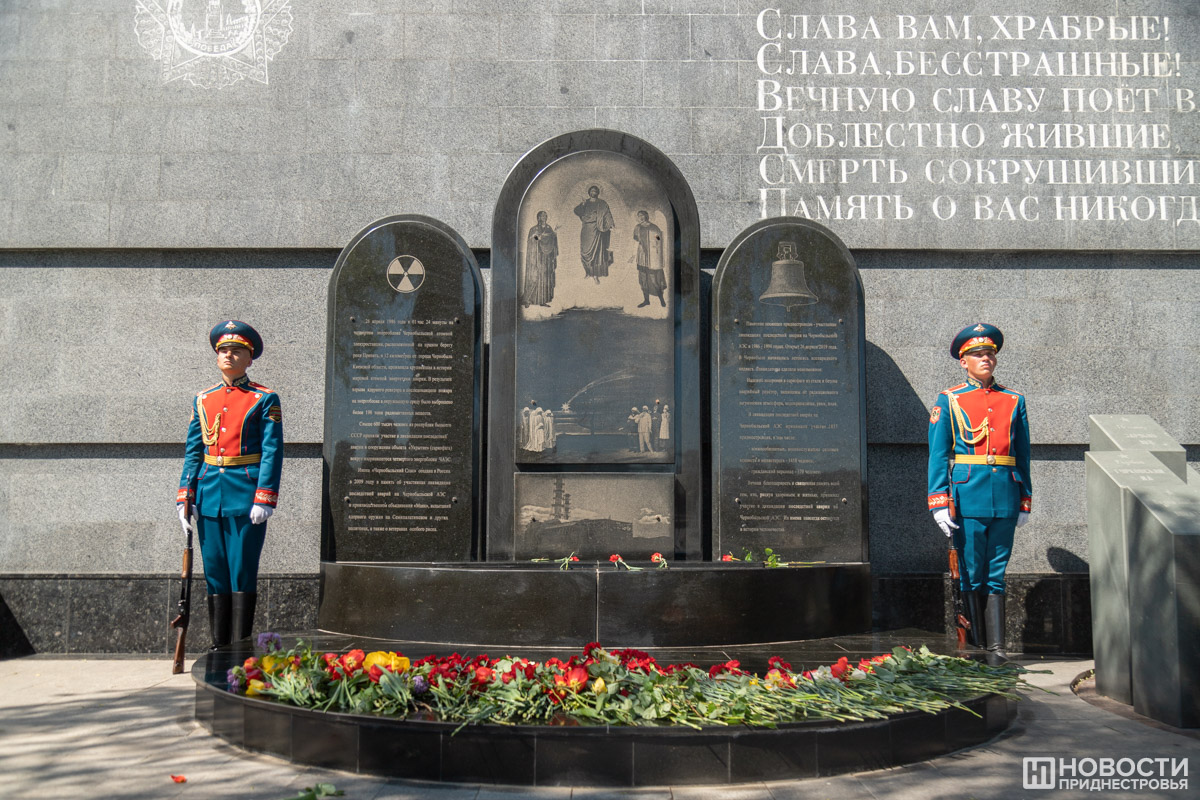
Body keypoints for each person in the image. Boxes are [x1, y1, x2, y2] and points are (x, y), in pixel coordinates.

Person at [177, 321, 283, 649]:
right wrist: (185, 495)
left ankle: (240, 647)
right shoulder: (203, 399)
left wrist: (264, 496)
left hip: (245, 494)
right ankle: (218, 647)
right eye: (223, 350)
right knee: (215, 573)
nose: (228, 355)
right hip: (209, 495)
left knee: (242, 571)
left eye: (236, 351)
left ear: (249, 358)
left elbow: (272, 450)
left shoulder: (264, 398)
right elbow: (194, 450)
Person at [927, 323, 1030, 659]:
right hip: (967, 495)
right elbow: (939, 454)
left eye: (990, 353)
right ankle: (976, 646)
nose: (986, 358)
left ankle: (997, 648)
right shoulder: (950, 399)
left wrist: (1025, 498)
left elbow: (1023, 453)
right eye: (977, 354)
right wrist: (939, 501)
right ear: (963, 361)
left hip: (1005, 495)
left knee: (997, 571)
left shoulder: (1013, 400)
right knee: (970, 572)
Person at [573, 185, 614, 282]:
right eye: (591, 191)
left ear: (598, 192)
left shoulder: (602, 203)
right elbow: (577, 211)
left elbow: (607, 214)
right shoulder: (585, 202)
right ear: (589, 192)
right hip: (586, 229)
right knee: (585, 251)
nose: (593, 193)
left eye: (595, 191)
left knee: (596, 252)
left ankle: (595, 275)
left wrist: (611, 224)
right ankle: (587, 272)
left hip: (597, 229)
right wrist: (582, 205)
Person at [521, 210, 558, 307]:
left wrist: (554, 234)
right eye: (542, 216)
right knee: (534, 277)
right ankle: (528, 299)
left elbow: (552, 239)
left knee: (544, 278)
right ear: (538, 218)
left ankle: (543, 300)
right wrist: (538, 238)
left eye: (545, 216)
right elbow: (531, 240)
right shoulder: (534, 229)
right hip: (537, 257)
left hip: (546, 258)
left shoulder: (549, 228)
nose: (544, 217)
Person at [632, 210, 666, 307]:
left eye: (643, 215)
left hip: (652, 257)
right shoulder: (637, 227)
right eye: (639, 216)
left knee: (654, 280)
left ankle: (662, 299)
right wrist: (633, 254)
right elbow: (636, 241)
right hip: (642, 255)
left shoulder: (653, 227)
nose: (641, 217)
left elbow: (659, 239)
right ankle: (646, 300)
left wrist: (656, 240)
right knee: (643, 280)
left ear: (647, 216)